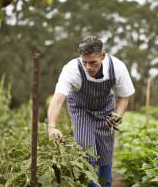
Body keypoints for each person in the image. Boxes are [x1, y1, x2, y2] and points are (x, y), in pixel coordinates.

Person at [47, 35, 135, 187]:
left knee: (106, 154)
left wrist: (118, 115)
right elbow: (58, 99)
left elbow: (124, 96)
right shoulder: (71, 69)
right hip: (81, 109)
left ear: (102, 55)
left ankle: (106, 184)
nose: (88, 67)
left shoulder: (117, 67)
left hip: (106, 109)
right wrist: (52, 126)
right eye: (84, 62)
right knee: (87, 152)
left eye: (93, 62)